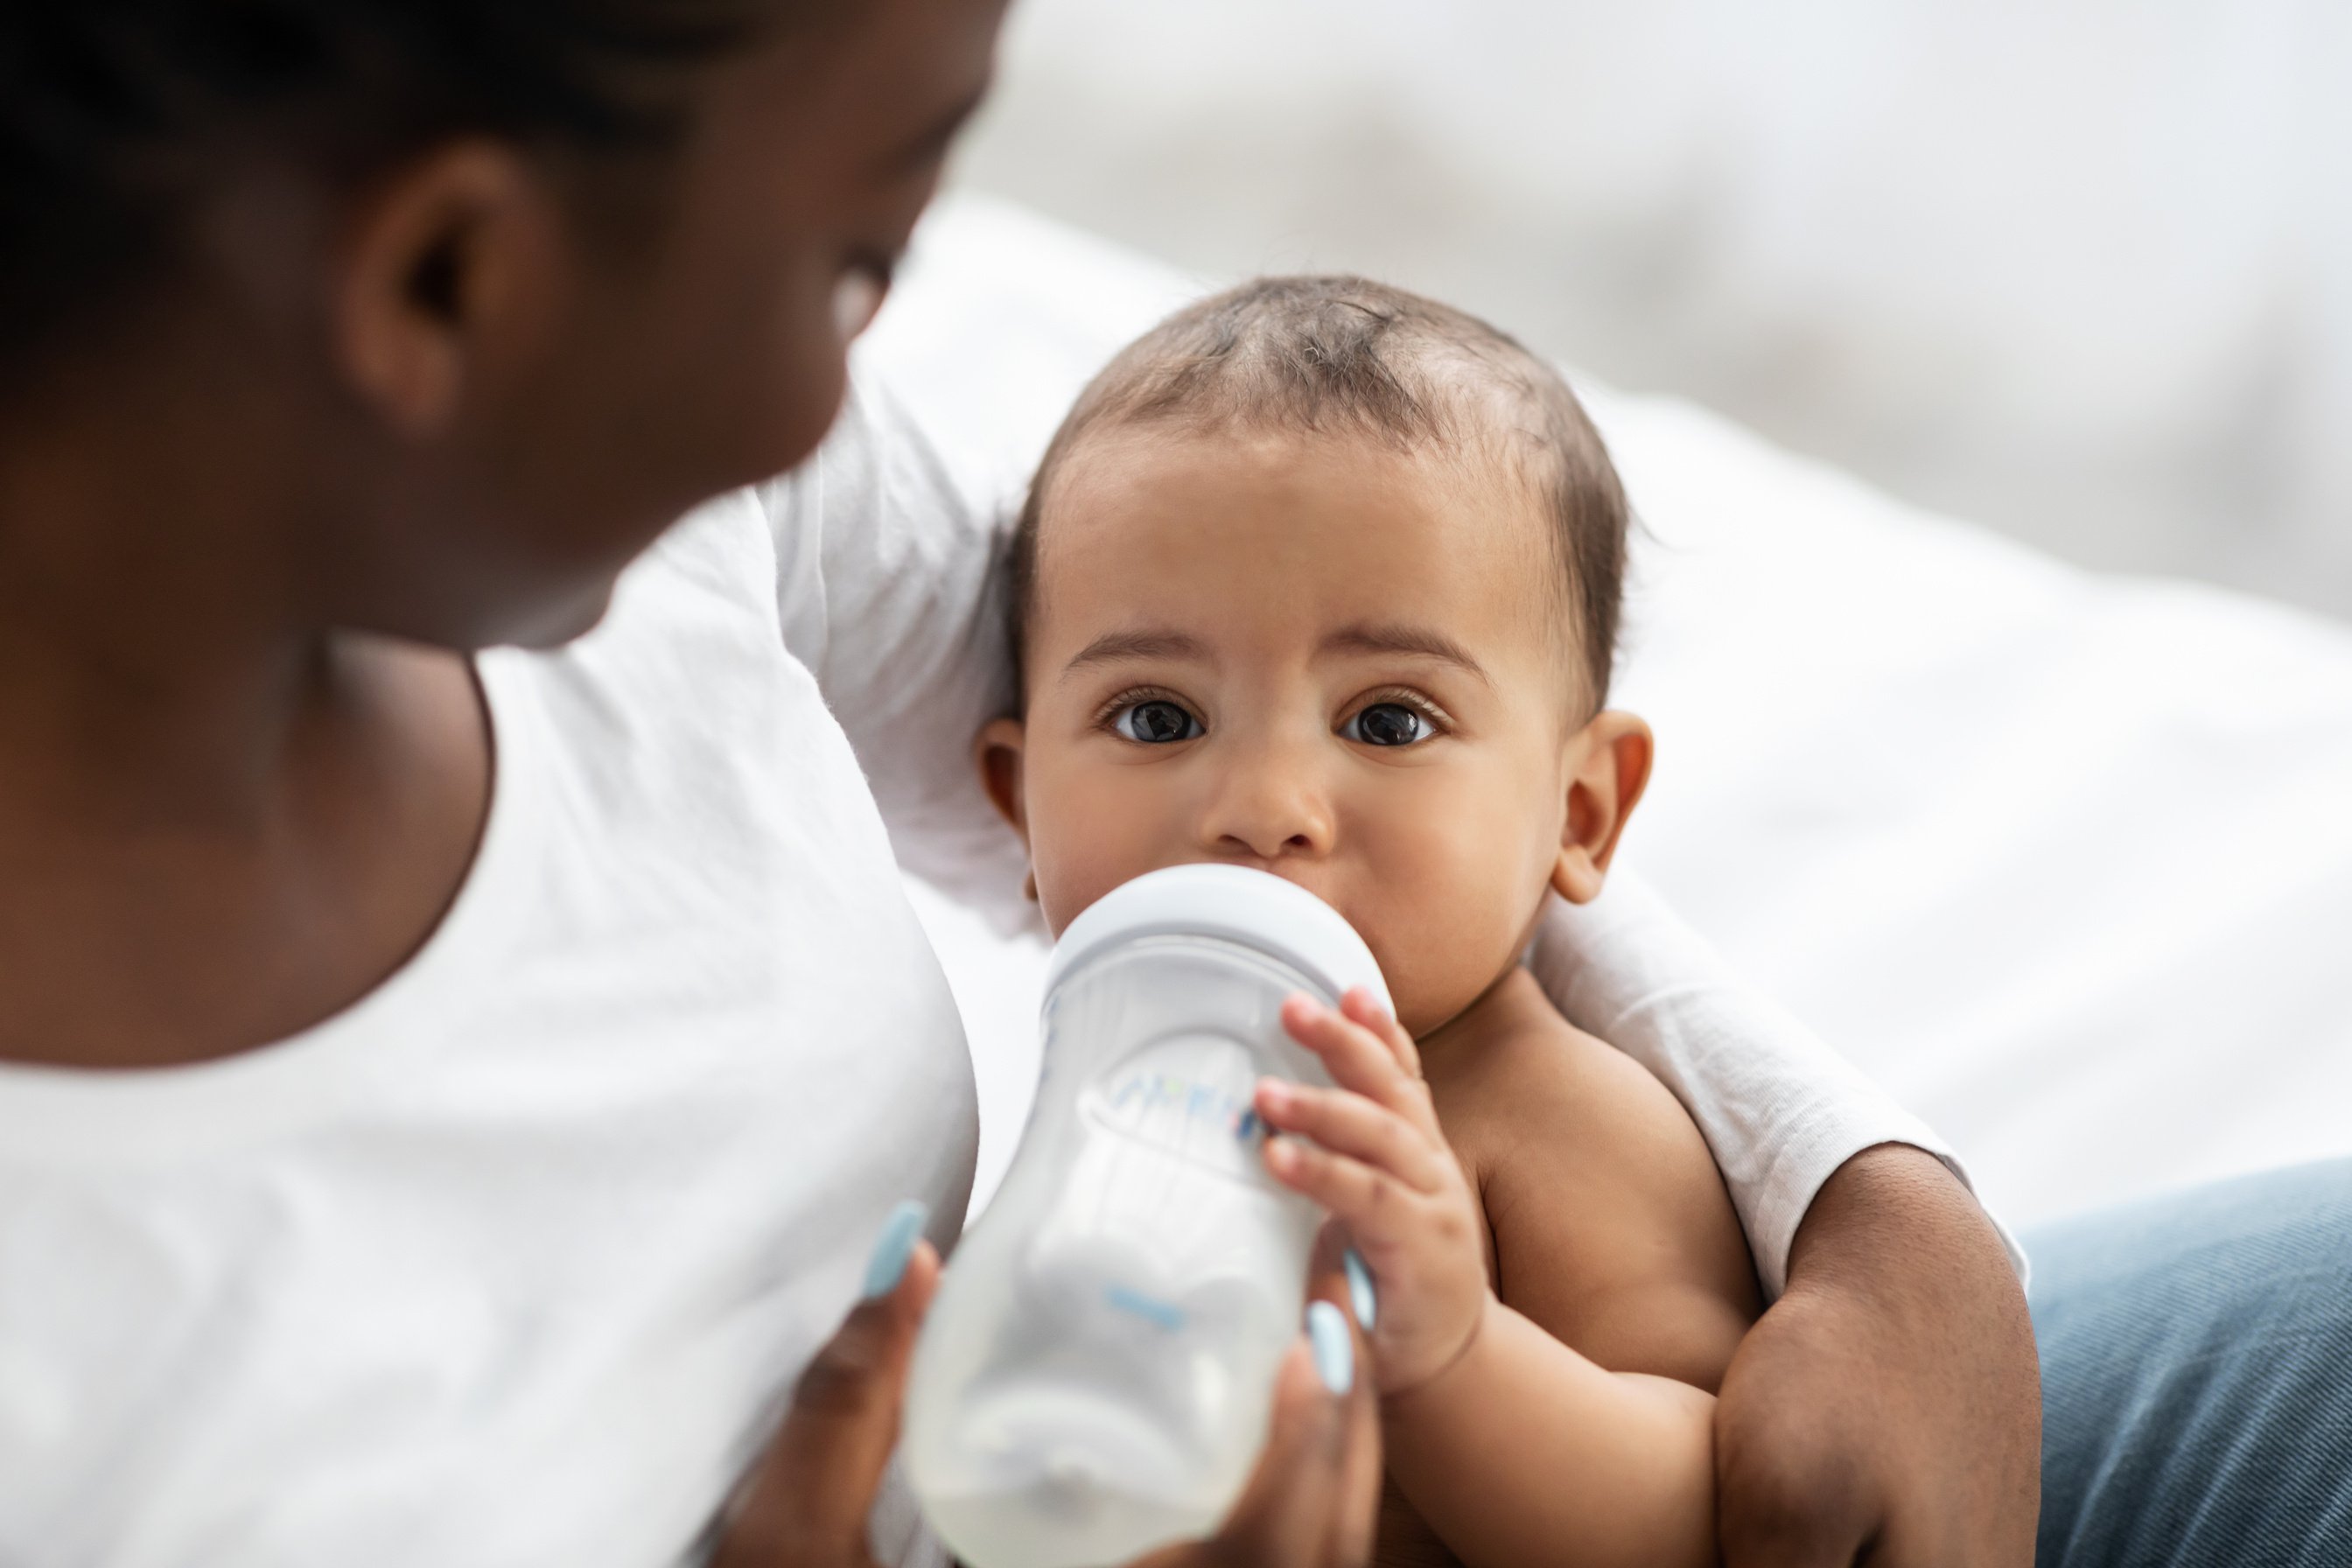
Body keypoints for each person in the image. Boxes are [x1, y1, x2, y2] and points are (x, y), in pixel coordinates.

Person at [37, 0, 2322, 1562]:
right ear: (449, 275)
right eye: (850, 268)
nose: (854, 408)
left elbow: (1279, 792)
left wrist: (1869, 1199)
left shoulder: (666, 514)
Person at [973, 275, 1756, 1567]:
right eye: (1157, 718)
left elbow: (1704, 1516)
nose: (1265, 807)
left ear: (1578, 814)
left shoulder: (1557, 1120)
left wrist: (1455, 1347)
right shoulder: (1109, 1092)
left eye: (1389, 720)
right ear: (1017, 805)